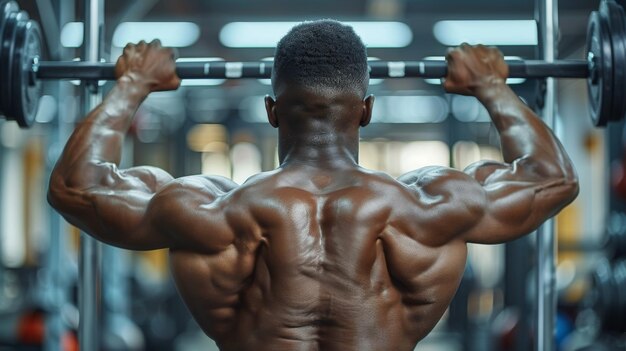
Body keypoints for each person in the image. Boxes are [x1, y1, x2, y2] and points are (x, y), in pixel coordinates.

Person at [48, 19, 578, 351]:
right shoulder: (429, 206)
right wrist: (491, 88)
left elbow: (75, 188)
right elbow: (551, 178)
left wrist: (132, 86)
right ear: (366, 110)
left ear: (272, 111)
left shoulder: (210, 209)